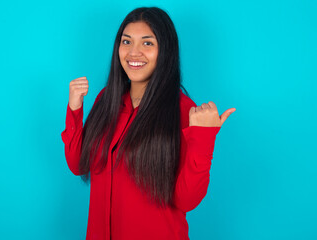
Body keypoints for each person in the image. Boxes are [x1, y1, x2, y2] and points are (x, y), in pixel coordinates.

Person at [61, 6, 235, 240]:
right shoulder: (107, 99)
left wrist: (204, 138)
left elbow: (186, 200)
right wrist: (74, 110)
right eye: (126, 42)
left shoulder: (183, 110)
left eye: (147, 43)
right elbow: (78, 165)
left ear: (165, 50)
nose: (134, 53)